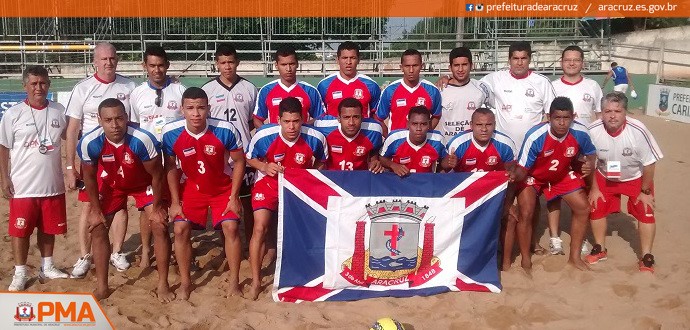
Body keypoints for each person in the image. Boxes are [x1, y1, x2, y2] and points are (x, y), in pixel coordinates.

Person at [77, 98, 167, 300]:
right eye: (108, 120)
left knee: (159, 225)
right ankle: (102, 287)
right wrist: (95, 209)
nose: (114, 125)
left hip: (143, 183)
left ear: (127, 117)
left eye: (119, 118)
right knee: (98, 227)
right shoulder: (89, 142)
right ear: (99, 120)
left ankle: (163, 284)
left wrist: (158, 206)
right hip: (112, 184)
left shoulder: (142, 139)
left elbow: (157, 175)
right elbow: (89, 177)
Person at [162, 87, 246, 300]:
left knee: (231, 227)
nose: (196, 113)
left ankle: (234, 282)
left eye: (201, 108)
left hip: (222, 187)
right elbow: (170, 168)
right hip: (193, 188)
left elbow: (239, 162)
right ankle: (185, 282)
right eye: (190, 108)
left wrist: (234, 197)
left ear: (208, 108)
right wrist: (174, 201)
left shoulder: (225, 129)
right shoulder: (171, 133)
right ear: (182, 110)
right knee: (180, 228)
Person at [65, 42, 137, 277]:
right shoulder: (83, 88)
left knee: (121, 203)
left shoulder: (129, 86)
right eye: (104, 59)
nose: (108, 62)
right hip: (92, 156)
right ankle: (85, 255)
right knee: (88, 204)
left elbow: (135, 121)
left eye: (112, 58)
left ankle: (117, 251)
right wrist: (69, 165)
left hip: (121, 154)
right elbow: (72, 128)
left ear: (118, 60)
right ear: (95, 62)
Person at [246, 97, 328, 300]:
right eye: (286, 121)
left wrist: (307, 177)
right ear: (278, 119)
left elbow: (322, 162)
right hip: (268, 184)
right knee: (260, 227)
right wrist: (264, 167)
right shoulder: (264, 135)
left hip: (297, 188)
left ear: (304, 119)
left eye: (296, 121)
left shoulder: (316, 138)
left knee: (305, 231)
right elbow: (249, 157)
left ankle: (304, 272)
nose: (291, 127)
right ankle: (256, 280)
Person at [0, 66, 70, 291]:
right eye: (34, 83)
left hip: (52, 184)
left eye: (43, 83)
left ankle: (47, 266)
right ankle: (20, 271)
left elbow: (71, 138)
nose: (39, 87)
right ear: (25, 86)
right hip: (23, 186)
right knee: (20, 230)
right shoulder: (13, 114)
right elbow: (3, 147)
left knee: (48, 228)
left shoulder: (59, 110)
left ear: (49, 85)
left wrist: (71, 167)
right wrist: (5, 177)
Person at [514, 96, 597, 271]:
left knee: (583, 207)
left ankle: (574, 258)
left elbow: (591, 153)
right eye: (557, 118)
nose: (561, 123)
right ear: (548, 117)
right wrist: (513, 177)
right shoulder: (535, 135)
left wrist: (589, 165)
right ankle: (525, 260)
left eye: (566, 118)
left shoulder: (581, 132)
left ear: (573, 117)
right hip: (534, 176)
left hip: (561, 175)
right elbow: (522, 168)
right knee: (526, 211)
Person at [586, 92, 663, 273]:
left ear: (625, 112)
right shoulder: (593, 130)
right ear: (602, 112)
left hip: (635, 177)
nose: (612, 115)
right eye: (607, 111)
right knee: (595, 206)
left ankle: (646, 256)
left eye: (617, 111)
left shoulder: (638, 130)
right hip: (604, 176)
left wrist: (644, 192)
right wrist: (594, 189)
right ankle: (599, 248)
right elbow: (590, 162)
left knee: (646, 211)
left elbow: (650, 163)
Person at [129, 45, 185, 268]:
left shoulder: (180, 92)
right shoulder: (137, 94)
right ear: (145, 66)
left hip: (174, 160)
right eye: (152, 65)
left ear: (168, 65)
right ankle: (145, 250)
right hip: (147, 161)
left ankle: (176, 250)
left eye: (161, 65)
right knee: (148, 207)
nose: (157, 70)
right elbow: (133, 126)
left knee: (176, 204)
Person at [443, 107, 519, 270]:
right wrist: (448, 163)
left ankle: (505, 263)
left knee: (511, 216)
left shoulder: (505, 144)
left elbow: (511, 178)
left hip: (493, 197)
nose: (484, 129)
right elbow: (444, 175)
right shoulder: (458, 143)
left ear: (494, 125)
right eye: (479, 124)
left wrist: (507, 204)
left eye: (488, 124)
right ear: (471, 125)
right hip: (464, 197)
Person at [547, 45, 604, 255]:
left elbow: (599, 117)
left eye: (576, 59)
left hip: (583, 150)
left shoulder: (593, 86)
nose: (572, 63)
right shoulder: (552, 87)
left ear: (582, 63)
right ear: (561, 62)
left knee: (582, 194)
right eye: (568, 59)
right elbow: (547, 118)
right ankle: (554, 238)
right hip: (558, 149)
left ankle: (580, 239)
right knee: (553, 194)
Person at [202, 43, 259, 249]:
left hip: (243, 153)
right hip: (218, 155)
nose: (227, 66)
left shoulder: (249, 88)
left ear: (238, 63)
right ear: (217, 64)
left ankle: (252, 243)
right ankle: (225, 244)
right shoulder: (207, 89)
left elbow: (252, 121)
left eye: (231, 62)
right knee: (221, 202)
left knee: (247, 202)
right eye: (223, 62)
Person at [253, 45, 325, 129]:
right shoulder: (266, 90)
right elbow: (257, 119)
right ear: (276, 65)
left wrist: (303, 129)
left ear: (297, 64)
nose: (288, 69)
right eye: (283, 64)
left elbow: (320, 118)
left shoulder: (310, 91)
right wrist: (269, 136)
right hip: (276, 141)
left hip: (302, 141)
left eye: (292, 64)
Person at [375, 49, 442, 135]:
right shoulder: (390, 90)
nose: (411, 70)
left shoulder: (432, 90)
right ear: (401, 67)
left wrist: (425, 133)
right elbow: (379, 118)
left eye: (415, 65)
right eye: (407, 66)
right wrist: (389, 137)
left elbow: (436, 115)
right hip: (397, 145)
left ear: (422, 66)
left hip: (422, 144)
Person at [313, 97, 384, 172]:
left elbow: (375, 149)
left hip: (359, 178)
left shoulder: (374, 130)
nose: (351, 123)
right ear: (339, 118)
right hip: (332, 178)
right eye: (346, 117)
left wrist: (374, 160)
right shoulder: (323, 126)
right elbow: (304, 128)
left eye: (356, 117)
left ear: (362, 118)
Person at [437, 47, 493, 138]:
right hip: (448, 147)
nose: (460, 69)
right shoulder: (440, 89)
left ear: (471, 66)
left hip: (472, 147)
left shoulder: (481, 88)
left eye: (464, 64)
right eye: (456, 65)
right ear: (450, 67)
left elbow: (497, 108)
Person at [316, 41, 381, 118]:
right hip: (332, 130)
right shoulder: (324, 85)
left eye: (353, 58)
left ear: (358, 60)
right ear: (337, 60)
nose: (348, 62)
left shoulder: (371, 85)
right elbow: (319, 116)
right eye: (344, 58)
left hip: (362, 129)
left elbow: (376, 116)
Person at [379, 106, 447, 175]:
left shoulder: (438, 140)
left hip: (426, 183)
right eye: (414, 124)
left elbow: (445, 163)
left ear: (429, 124)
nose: (419, 128)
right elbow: (381, 158)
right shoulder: (394, 138)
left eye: (423, 124)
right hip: (399, 182)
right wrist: (393, 165)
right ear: (408, 124)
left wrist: (449, 163)